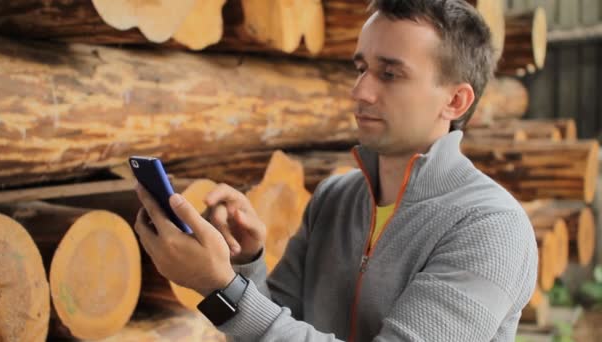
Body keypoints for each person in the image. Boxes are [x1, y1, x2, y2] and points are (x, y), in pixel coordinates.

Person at [134, 0, 538, 341]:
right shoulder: (334, 198)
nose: (360, 90)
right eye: (361, 68)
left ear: (455, 101)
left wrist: (218, 288)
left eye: (390, 74)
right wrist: (246, 261)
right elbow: (276, 325)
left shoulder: (491, 228)